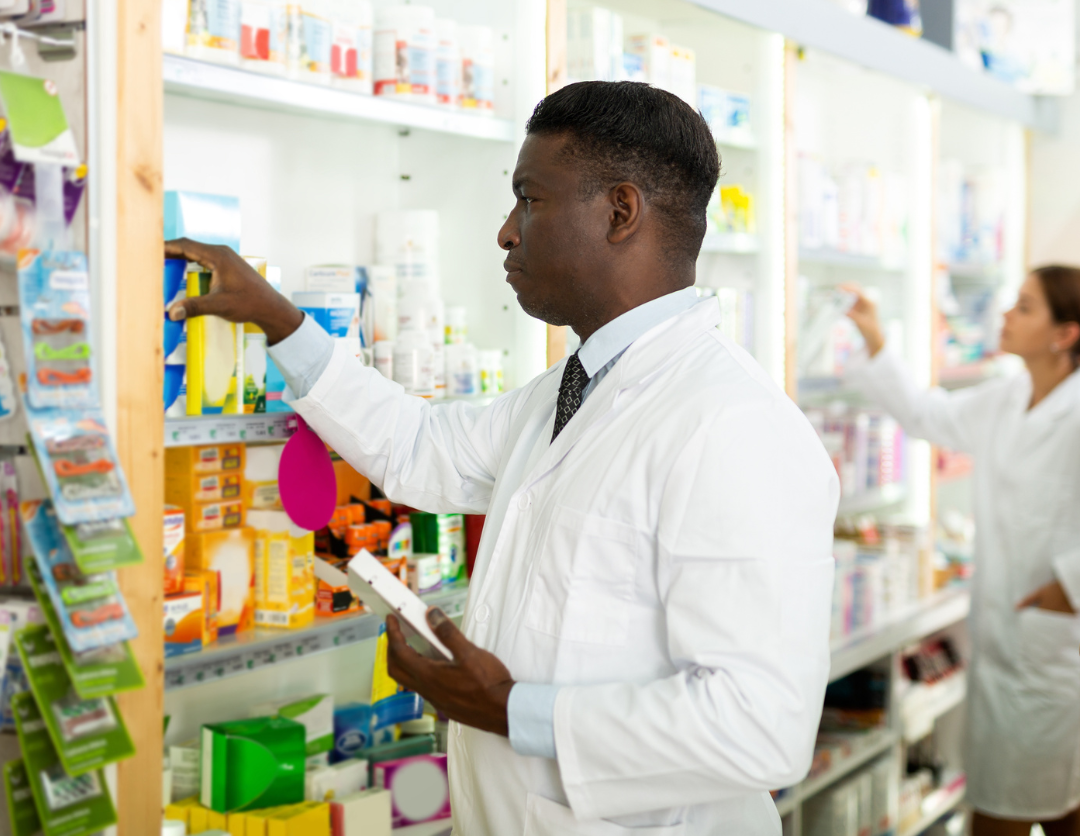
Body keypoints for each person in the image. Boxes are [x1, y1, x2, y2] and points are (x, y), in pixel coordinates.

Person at [165, 81, 838, 835]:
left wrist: (513, 710)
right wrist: (281, 321)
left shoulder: (735, 427)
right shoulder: (576, 387)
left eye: (531, 199)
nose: (506, 233)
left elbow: (761, 727)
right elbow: (421, 450)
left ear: (620, 212)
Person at [843, 267, 1080, 836]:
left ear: (1064, 334)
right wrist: (877, 342)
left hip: (1053, 645)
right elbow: (930, 415)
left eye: (1024, 307)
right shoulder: (1010, 395)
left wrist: (1067, 590)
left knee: (1016, 811)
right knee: (1052, 803)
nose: (1005, 315)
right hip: (1006, 640)